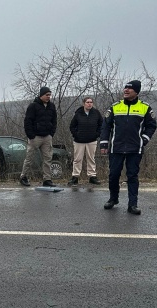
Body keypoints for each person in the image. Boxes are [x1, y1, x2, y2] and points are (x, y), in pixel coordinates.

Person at [100, 80, 156, 215]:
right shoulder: (115, 107)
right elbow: (106, 126)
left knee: (132, 176)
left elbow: (152, 125)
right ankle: (113, 199)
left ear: (136, 92)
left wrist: (144, 139)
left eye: (129, 89)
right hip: (116, 148)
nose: (126, 90)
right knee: (113, 175)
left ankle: (133, 205)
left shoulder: (145, 107)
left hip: (135, 148)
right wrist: (104, 143)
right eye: (125, 88)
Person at [19, 87, 57, 187]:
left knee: (48, 159)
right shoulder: (33, 106)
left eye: (49, 95)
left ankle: (47, 179)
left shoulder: (51, 106)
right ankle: (23, 177)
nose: (48, 97)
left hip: (47, 137)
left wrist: (51, 133)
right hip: (35, 137)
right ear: (41, 95)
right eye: (46, 95)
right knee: (29, 158)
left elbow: (54, 120)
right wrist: (31, 135)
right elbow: (28, 121)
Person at [67, 97, 103, 185]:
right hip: (79, 141)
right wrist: (77, 135)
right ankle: (75, 177)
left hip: (92, 140)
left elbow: (101, 125)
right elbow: (72, 126)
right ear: (84, 103)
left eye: (91, 102)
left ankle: (92, 176)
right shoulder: (78, 113)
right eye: (87, 102)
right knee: (77, 159)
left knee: (91, 158)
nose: (89, 104)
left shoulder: (96, 113)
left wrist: (96, 134)